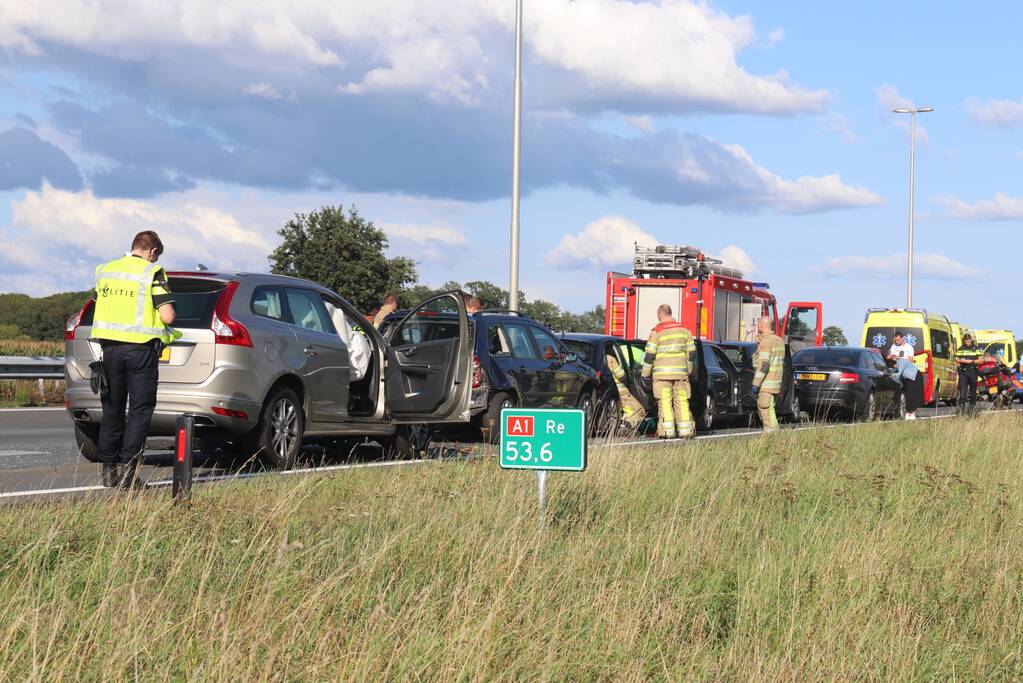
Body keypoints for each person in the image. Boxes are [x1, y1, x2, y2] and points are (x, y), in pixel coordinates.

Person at [91, 230, 180, 489]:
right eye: (155, 256)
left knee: (112, 409)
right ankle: (128, 473)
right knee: (140, 410)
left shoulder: (106, 270)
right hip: (140, 351)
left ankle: (109, 471)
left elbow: (98, 302)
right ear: (153, 252)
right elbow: (167, 316)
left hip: (109, 351)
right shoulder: (152, 272)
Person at [641, 304, 695, 439]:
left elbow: (649, 355)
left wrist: (645, 374)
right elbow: (692, 353)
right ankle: (685, 430)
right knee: (682, 401)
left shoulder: (657, 331)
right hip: (681, 374)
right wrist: (689, 370)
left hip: (662, 375)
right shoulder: (684, 330)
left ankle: (667, 431)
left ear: (660, 314)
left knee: (665, 402)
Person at [751, 316, 785, 433]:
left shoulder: (766, 342)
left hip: (767, 383)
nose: (757, 327)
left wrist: (756, 384)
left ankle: (770, 433)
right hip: (776, 382)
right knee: (770, 409)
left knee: (765, 408)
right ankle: (775, 432)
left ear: (762, 325)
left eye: (758, 324)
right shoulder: (779, 340)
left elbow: (764, 365)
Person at [606, 351, 646, 434]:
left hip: (607, 393)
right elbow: (621, 376)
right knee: (639, 410)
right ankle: (625, 425)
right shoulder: (610, 359)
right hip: (621, 392)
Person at [955, 332, 982, 411]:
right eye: (966, 342)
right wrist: (962, 360)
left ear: (971, 340)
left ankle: (972, 409)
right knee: (962, 392)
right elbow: (956, 358)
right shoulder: (961, 348)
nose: (967, 343)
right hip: (963, 372)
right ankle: (961, 410)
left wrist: (972, 361)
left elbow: (980, 360)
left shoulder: (975, 348)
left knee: (973, 392)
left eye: (968, 342)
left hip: (973, 372)